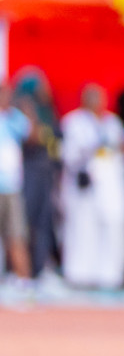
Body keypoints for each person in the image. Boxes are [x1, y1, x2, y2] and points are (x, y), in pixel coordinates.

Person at [60, 84, 124, 289]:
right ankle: (80, 274)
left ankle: (110, 275)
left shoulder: (112, 123)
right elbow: (70, 154)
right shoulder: (74, 122)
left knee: (113, 227)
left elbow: (122, 151)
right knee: (83, 228)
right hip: (86, 184)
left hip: (111, 184)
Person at [14, 69, 59, 280]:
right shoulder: (20, 111)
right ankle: (21, 271)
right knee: (26, 221)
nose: (46, 90)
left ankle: (41, 268)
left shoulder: (48, 111)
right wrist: (27, 108)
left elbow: (54, 141)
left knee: (44, 222)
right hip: (27, 173)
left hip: (46, 174)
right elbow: (30, 137)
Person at [0, 82, 34, 287]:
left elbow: (33, 135)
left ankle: (23, 281)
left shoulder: (15, 118)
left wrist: (26, 110)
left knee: (16, 233)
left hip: (12, 186)